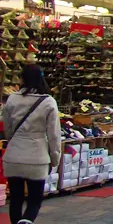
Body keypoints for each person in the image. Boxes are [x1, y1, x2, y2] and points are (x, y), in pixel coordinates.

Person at [2, 65, 60, 224]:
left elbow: (7, 128)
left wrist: (15, 140)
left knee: (15, 199)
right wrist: (55, 158)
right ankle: (26, 221)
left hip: (13, 156)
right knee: (34, 200)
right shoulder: (48, 102)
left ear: (22, 79)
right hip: (37, 157)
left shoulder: (12, 99)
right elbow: (54, 135)